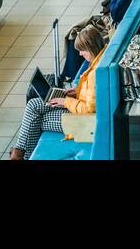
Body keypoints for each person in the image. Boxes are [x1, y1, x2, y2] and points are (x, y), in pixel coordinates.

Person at [9, 25, 107, 160]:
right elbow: (93, 94)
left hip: (88, 124)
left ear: (90, 47)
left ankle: (20, 155)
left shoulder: (95, 72)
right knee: (33, 105)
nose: (80, 54)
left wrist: (65, 101)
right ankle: (21, 154)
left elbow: (88, 110)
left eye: (82, 50)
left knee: (36, 120)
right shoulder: (102, 57)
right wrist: (76, 92)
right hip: (85, 115)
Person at [61, 0, 140, 83]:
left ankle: (73, 78)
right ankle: (71, 76)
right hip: (118, 22)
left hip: (117, 27)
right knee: (76, 30)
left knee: (76, 34)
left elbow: (116, 14)